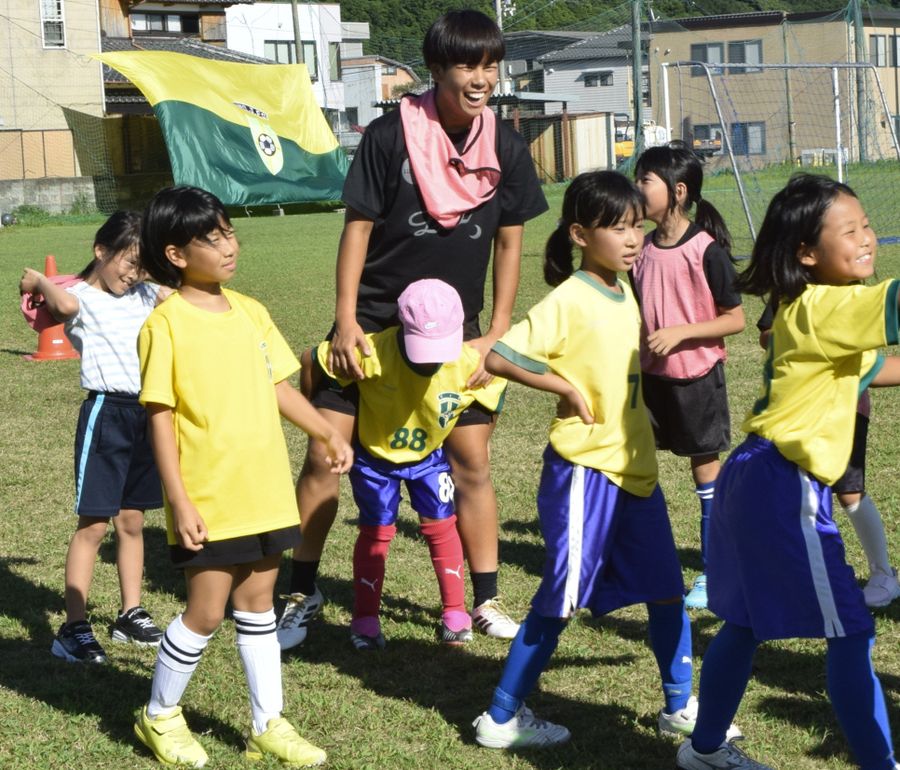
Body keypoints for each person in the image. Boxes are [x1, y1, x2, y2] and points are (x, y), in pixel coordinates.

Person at [276, 8, 548, 650]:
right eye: (465, 65)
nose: (479, 78)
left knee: (471, 463)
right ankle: (302, 591)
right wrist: (345, 320)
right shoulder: (390, 134)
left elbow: (510, 247)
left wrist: (496, 330)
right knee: (324, 454)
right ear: (437, 68)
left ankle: (485, 602)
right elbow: (358, 229)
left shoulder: (506, 147)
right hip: (370, 328)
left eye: (489, 64)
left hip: (461, 337)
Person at [472, 171, 734, 749]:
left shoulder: (625, 289)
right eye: (617, 228)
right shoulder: (570, 297)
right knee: (559, 599)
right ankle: (500, 717)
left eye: (637, 225)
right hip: (586, 472)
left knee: (667, 591)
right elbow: (500, 358)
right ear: (579, 234)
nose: (633, 237)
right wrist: (564, 388)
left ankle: (677, 706)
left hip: (636, 472)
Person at [676, 174, 899, 770]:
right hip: (785, 485)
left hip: (753, 476)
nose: (867, 238)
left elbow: (874, 368)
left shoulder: (804, 306)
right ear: (806, 252)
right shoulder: (831, 304)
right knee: (851, 632)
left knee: (745, 623)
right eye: (848, 230)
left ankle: (703, 751)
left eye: (867, 225)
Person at [134, 186, 353, 769]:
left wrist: (326, 433)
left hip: (263, 488)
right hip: (208, 492)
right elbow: (161, 417)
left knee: (258, 604)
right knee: (205, 610)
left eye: (228, 231)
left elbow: (280, 386)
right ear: (176, 255)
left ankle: (267, 725)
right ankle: (159, 715)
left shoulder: (251, 310)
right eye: (212, 238)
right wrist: (178, 500)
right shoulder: (166, 325)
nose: (228, 245)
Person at [312, 279, 507, 650]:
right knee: (376, 533)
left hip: (430, 461)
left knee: (442, 526)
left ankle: (454, 611)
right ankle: (366, 618)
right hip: (374, 460)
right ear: (401, 325)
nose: (432, 357)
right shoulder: (374, 350)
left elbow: (496, 390)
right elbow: (316, 360)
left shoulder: (468, 361)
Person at [19, 211, 168, 664]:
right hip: (105, 413)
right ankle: (73, 627)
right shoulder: (77, 295)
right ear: (100, 251)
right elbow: (61, 309)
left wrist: (153, 274)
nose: (133, 273)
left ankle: (129, 613)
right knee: (94, 524)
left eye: (142, 265)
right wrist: (39, 281)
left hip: (146, 414)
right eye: (128, 261)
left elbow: (177, 298)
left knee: (133, 521)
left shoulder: (145, 293)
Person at [632, 142, 745, 611]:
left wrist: (681, 333)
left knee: (705, 474)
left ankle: (714, 572)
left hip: (696, 377)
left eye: (645, 181)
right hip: (648, 379)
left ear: (677, 192)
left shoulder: (705, 250)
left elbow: (735, 319)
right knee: (635, 470)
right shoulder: (636, 247)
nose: (637, 188)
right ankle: (637, 564)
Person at [757, 301, 898, 608]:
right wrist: (791, 340)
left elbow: (878, 369)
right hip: (793, 412)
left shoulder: (853, 297)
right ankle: (796, 573)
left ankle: (883, 573)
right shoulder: (789, 288)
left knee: (849, 490)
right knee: (792, 493)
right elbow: (766, 334)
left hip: (844, 410)